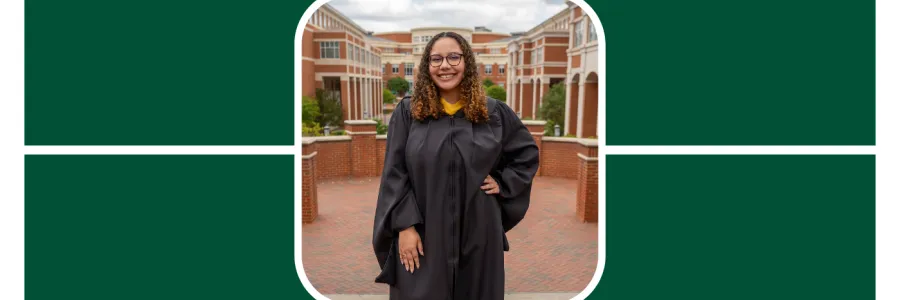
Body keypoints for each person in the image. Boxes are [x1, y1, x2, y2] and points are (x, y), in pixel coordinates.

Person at [372, 32, 540, 299]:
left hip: (479, 231)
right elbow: (395, 173)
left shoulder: (493, 113)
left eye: (453, 57)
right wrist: (404, 227)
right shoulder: (409, 113)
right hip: (424, 234)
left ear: (467, 63)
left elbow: (526, 155)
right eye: (436, 59)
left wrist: (503, 182)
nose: (445, 65)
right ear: (427, 66)